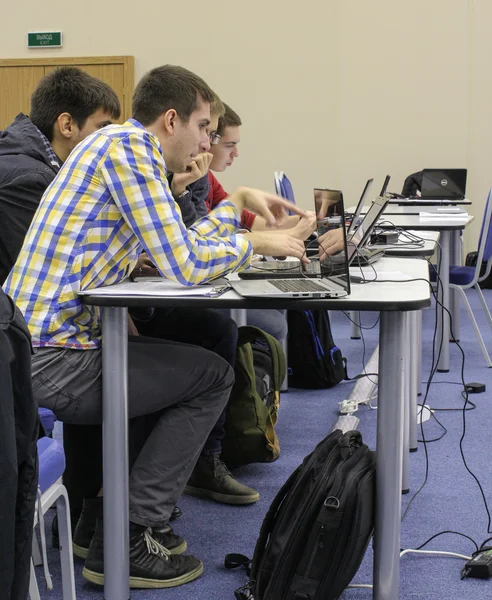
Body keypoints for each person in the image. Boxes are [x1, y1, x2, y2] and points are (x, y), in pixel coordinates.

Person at [4, 64, 307, 588]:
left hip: (38, 348)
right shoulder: (130, 151)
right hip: (48, 357)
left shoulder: (123, 150)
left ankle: (110, 524)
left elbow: (175, 241)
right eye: (205, 128)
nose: (207, 145)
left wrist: (234, 206)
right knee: (211, 374)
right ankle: (130, 534)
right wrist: (255, 242)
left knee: (186, 360)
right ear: (172, 120)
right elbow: (186, 263)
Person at [0, 66, 121, 547]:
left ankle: (97, 512)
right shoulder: (29, 176)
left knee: (113, 348)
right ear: (67, 125)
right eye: (102, 130)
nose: (108, 145)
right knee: (110, 362)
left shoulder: (36, 162)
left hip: (21, 334)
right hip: (17, 345)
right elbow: (53, 274)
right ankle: (99, 517)